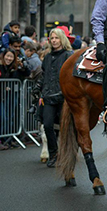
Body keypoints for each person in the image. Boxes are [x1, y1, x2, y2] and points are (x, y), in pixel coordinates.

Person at [32, 28, 73, 167]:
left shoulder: (69, 55)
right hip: (48, 96)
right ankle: (53, 153)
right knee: (48, 125)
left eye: (56, 38)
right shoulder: (48, 57)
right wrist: (38, 87)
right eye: (52, 38)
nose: (54, 40)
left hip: (64, 97)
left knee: (66, 128)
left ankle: (67, 154)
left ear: (62, 39)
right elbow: (44, 75)